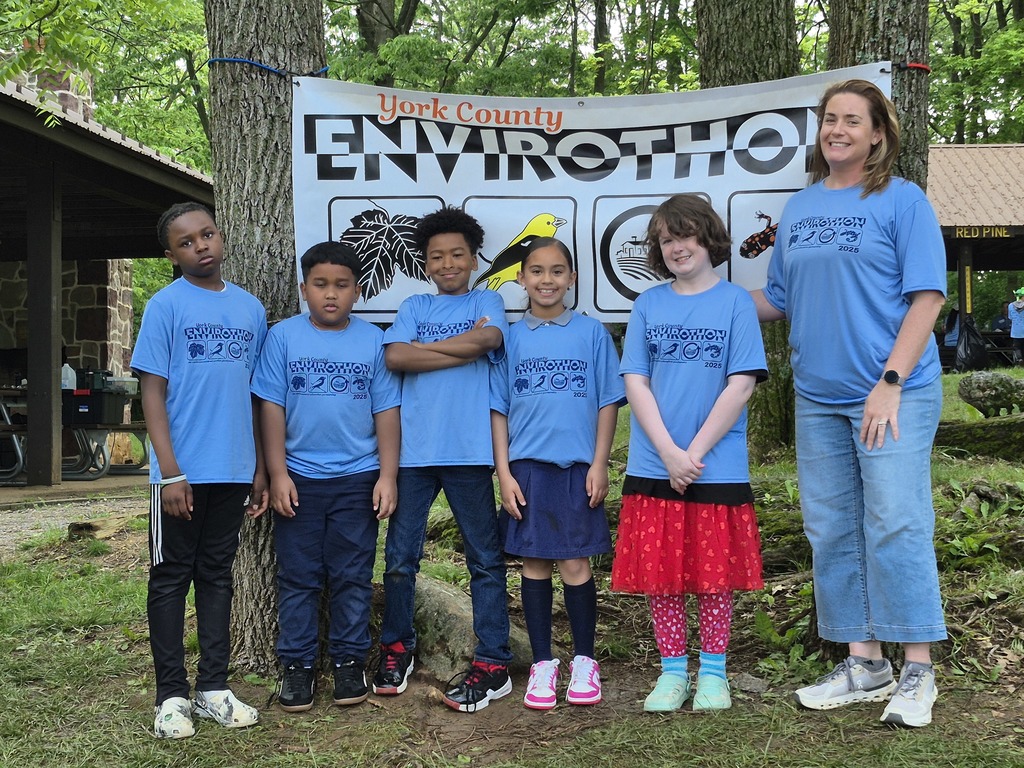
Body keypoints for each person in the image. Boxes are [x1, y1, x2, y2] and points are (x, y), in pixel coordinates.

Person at [752, 79, 948, 728]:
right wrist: (698, 292)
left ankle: (918, 668)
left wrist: (890, 381)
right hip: (818, 397)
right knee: (831, 528)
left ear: (877, 136)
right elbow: (777, 299)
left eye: (851, 121)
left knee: (895, 521)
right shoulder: (801, 208)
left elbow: (927, 298)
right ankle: (865, 663)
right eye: (829, 119)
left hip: (892, 394)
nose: (837, 129)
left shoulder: (902, 201)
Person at [612, 194, 767, 713]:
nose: (678, 246)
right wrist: (668, 453)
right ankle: (673, 672)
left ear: (709, 238)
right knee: (662, 575)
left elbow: (741, 384)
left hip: (715, 464)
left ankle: (715, 674)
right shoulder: (649, 304)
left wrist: (692, 454)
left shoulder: (735, 303)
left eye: (686, 234)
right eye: (667, 238)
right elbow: (635, 380)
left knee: (713, 576)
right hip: (654, 463)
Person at [131, 201, 268, 739]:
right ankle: (170, 696)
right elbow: (152, 391)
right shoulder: (165, 307)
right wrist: (169, 472)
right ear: (171, 254)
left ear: (221, 236)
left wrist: (258, 466)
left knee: (216, 576)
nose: (200, 246)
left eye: (207, 234)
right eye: (186, 242)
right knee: (170, 578)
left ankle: (213, 687)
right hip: (180, 471)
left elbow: (258, 395)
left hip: (233, 467)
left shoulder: (251, 308)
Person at [250, 241, 401, 713]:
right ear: (303, 289)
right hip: (298, 479)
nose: (330, 295)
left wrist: (388, 476)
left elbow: (387, 411)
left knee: (353, 576)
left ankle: (349, 662)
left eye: (341, 285)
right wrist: (277, 473)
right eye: (320, 285)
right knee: (298, 577)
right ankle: (296, 667)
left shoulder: (374, 340)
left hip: (359, 478)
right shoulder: (283, 338)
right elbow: (269, 407)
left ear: (357, 291)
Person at [375, 206, 514, 712]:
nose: (448, 263)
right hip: (413, 454)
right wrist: (463, 349)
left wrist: (426, 351)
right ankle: (396, 649)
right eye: (437, 256)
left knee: (484, 558)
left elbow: (490, 339)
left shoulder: (489, 299)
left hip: (468, 451)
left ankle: (494, 661)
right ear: (426, 264)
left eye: (457, 254)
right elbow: (395, 357)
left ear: (474, 258)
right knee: (399, 559)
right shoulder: (414, 304)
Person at [489, 237, 625, 710]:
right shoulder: (510, 337)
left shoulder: (591, 334)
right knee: (534, 564)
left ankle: (585, 661)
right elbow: (499, 410)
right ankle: (543, 664)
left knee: (576, 564)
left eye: (557, 271)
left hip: (576, 470)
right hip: (527, 469)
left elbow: (609, 400)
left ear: (572, 279)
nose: (547, 280)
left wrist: (600, 462)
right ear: (522, 278)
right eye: (537, 271)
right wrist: (503, 473)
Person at [1010, 289, 1024, 364]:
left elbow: (1010, 317)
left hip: (1016, 332)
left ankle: (1020, 359)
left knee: (1017, 347)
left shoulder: (1010, 305)